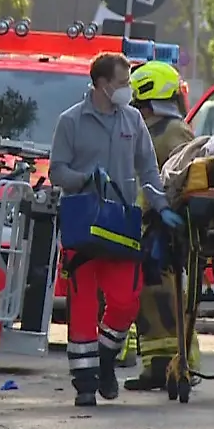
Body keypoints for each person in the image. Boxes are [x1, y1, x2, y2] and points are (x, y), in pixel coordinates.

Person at [49, 52, 183, 407]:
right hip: (82, 224)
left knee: (126, 300)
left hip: (122, 223)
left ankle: (105, 358)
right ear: (102, 84)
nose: (128, 90)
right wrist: (84, 179)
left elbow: (148, 170)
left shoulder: (133, 120)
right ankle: (85, 383)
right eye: (122, 83)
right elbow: (56, 171)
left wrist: (162, 206)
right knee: (82, 305)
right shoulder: (71, 121)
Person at [121, 60, 202, 392]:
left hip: (166, 228)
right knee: (149, 298)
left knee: (169, 299)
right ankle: (157, 366)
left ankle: (183, 364)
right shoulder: (149, 130)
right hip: (146, 225)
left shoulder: (174, 131)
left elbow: (185, 175)